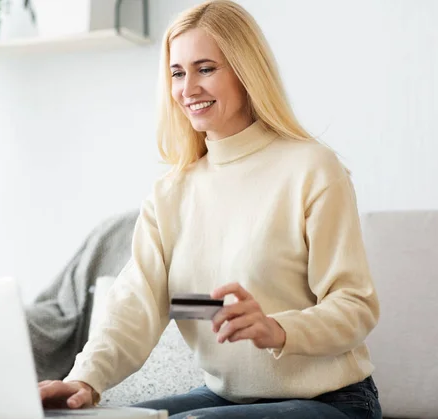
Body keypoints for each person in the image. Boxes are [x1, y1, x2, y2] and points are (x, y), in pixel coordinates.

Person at [39, 1, 382, 418]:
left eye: (206, 69)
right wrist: (84, 380)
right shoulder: (171, 194)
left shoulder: (312, 169)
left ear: (245, 70)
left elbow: (355, 305)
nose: (188, 88)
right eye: (177, 73)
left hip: (332, 402)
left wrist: (279, 329)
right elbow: (135, 305)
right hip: (227, 398)